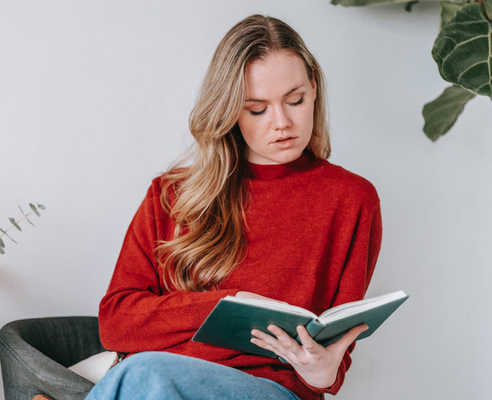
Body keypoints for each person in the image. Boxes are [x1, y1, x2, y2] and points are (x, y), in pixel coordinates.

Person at [85, 14, 382, 400]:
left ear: (313, 89)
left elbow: (332, 355)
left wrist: (324, 370)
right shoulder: (172, 193)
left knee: (144, 375)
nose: (282, 122)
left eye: (295, 100)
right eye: (257, 109)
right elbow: (117, 323)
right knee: (146, 376)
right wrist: (226, 305)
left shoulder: (351, 199)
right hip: (158, 382)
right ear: (229, 111)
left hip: (272, 390)